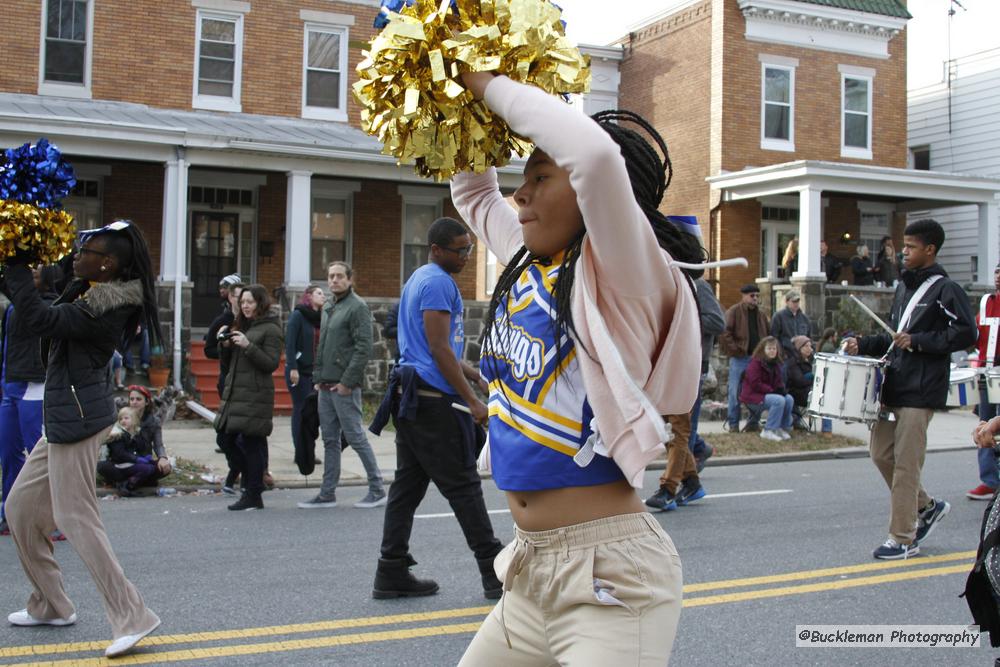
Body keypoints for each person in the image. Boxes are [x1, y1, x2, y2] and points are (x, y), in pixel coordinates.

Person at [449, 71, 704, 665]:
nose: (521, 194)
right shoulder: (531, 258)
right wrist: (455, 97)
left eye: (541, 176)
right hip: (528, 573)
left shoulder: (628, 274)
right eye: (524, 177)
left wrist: (484, 79)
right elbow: (474, 195)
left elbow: (590, 154)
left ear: (595, 196)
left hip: (611, 583)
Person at [2, 220, 163, 657]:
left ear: (108, 264)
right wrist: (19, 244)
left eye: (86, 250)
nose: (77, 254)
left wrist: (14, 269)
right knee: (18, 508)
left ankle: (133, 614)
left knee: (76, 517)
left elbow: (38, 318)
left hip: (78, 419)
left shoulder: (106, 307)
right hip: (63, 415)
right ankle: (51, 603)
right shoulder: (88, 287)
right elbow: (54, 278)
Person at [369, 217, 504, 600]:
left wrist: (474, 374)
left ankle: (391, 569)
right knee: (464, 485)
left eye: (469, 249)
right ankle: (494, 572)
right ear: (436, 249)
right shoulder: (437, 284)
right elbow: (439, 348)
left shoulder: (421, 278)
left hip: (412, 399)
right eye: (460, 250)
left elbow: (435, 347)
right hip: (432, 404)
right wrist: (474, 401)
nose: (466, 256)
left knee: (407, 489)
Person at [845, 219, 978, 559]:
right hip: (896, 383)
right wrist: (863, 343)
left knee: (906, 465)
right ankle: (928, 507)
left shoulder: (947, 290)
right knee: (880, 454)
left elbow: (966, 334)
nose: (903, 252)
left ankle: (903, 538)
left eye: (911, 247)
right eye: (904, 246)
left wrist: (918, 342)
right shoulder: (904, 287)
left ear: (930, 250)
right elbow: (895, 337)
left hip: (922, 390)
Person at [299, 262, 386, 509]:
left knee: (356, 437)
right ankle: (327, 493)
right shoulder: (328, 306)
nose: (334, 280)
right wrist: (317, 378)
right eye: (330, 276)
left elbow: (363, 348)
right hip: (325, 386)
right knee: (329, 441)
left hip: (344, 387)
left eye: (339, 276)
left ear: (349, 279)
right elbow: (323, 345)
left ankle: (377, 489)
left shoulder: (357, 307)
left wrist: (347, 382)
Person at [0, 265, 62, 536]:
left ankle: (50, 518)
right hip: (11, 384)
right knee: (9, 452)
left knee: (39, 456)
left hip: (37, 386)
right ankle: (10, 514)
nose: (29, 274)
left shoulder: (52, 307)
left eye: (36, 271)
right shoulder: (14, 307)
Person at [214, 284, 283, 511]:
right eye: (242, 302)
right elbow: (229, 364)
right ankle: (252, 482)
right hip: (235, 392)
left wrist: (247, 345)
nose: (245, 306)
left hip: (255, 394)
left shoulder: (271, 328)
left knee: (251, 444)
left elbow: (270, 363)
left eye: (250, 302)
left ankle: (253, 493)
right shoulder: (242, 325)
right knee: (224, 439)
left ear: (260, 303)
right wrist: (225, 345)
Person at [204, 280, 242, 493]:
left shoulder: (253, 323)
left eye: (247, 298)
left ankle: (248, 476)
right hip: (227, 382)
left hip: (248, 386)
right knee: (225, 434)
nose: (243, 302)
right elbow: (208, 349)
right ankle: (236, 467)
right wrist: (224, 346)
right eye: (238, 297)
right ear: (230, 298)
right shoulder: (223, 321)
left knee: (248, 434)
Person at [968, 262, 1000, 500]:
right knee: (984, 422)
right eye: (997, 271)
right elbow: (977, 336)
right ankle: (989, 479)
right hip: (986, 371)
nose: (998, 276)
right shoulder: (986, 303)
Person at [721, 284, 770, 432]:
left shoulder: (761, 316)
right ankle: (733, 425)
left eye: (756, 295)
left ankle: (753, 423)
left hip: (757, 360)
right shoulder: (734, 312)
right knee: (735, 392)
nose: (755, 298)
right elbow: (724, 333)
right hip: (740, 359)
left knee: (757, 391)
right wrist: (736, 350)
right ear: (743, 296)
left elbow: (768, 335)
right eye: (752, 295)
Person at [285, 285, 325, 470]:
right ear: (308, 296)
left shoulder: (322, 318)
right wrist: (293, 367)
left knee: (312, 414)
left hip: (315, 372)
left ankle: (309, 451)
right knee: (300, 410)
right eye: (318, 293)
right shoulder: (298, 315)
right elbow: (290, 343)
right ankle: (299, 451)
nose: (323, 295)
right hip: (298, 371)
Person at [740, 337, 794, 442]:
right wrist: (772, 390)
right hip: (753, 396)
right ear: (763, 350)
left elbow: (778, 382)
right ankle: (768, 430)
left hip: (768, 394)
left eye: (774, 348)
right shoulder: (755, 363)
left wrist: (781, 390)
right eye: (769, 348)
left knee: (788, 398)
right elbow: (755, 384)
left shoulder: (776, 364)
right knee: (778, 400)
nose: (772, 351)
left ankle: (780, 428)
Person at [96, 406, 159, 497]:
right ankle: (128, 485)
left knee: (153, 466)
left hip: (129, 463)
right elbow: (119, 454)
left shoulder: (134, 433)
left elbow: (137, 449)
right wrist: (137, 459)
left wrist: (144, 457)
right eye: (120, 419)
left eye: (126, 418)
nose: (123, 421)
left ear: (134, 421)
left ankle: (130, 482)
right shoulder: (118, 435)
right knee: (147, 469)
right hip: (119, 465)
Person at [785, 335, 831, 435]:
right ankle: (827, 430)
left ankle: (827, 430)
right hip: (796, 393)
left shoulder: (811, 360)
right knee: (823, 398)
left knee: (826, 396)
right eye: (806, 346)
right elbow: (799, 381)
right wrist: (813, 377)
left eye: (810, 346)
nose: (810, 349)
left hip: (808, 390)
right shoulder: (793, 362)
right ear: (799, 347)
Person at [770, 290, 812, 359]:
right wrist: (781, 353)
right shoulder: (778, 316)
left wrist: (809, 352)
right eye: (793, 301)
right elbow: (774, 337)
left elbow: (809, 338)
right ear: (787, 302)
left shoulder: (805, 318)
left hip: (802, 357)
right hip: (785, 356)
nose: (796, 303)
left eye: (797, 301)